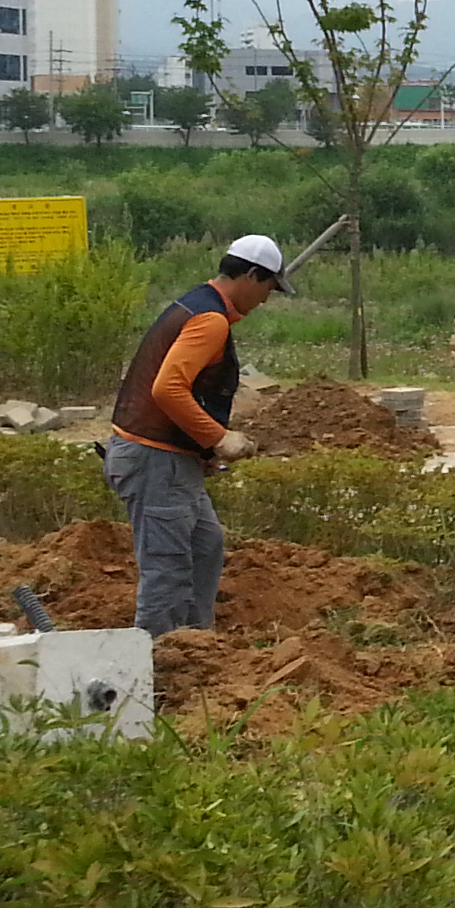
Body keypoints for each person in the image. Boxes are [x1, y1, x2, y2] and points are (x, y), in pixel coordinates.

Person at [104, 235, 290, 637]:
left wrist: (202, 449)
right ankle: (158, 666)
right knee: (167, 570)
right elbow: (167, 388)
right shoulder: (210, 320)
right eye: (269, 287)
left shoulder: (197, 304)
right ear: (252, 275)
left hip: (170, 459)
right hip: (155, 461)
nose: (266, 299)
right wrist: (219, 437)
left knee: (205, 549)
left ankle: (195, 648)